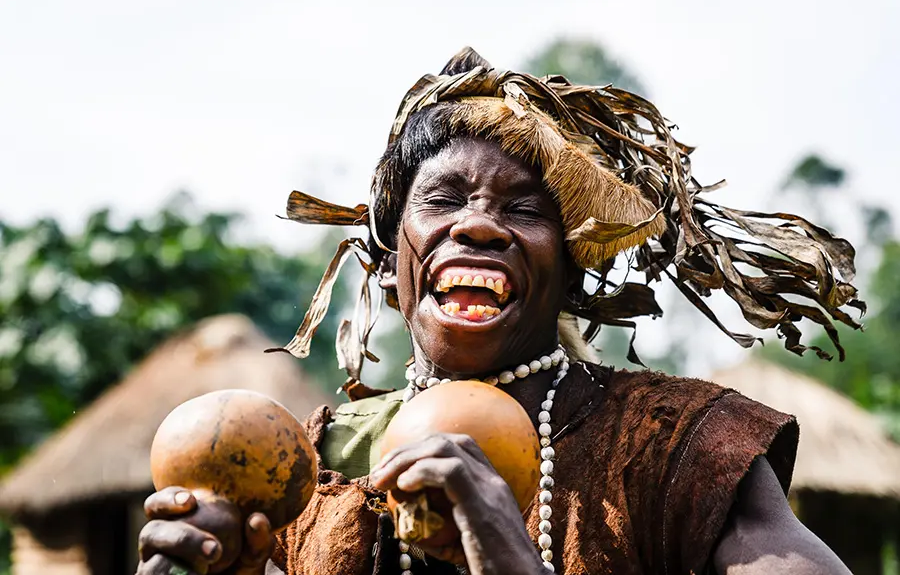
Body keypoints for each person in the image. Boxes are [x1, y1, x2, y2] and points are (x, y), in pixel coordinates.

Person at [137, 49, 862, 574]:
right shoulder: (305, 465)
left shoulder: (678, 445)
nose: (480, 225)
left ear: (571, 268)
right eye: (444, 200)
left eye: (523, 210)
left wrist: (510, 557)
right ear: (393, 257)